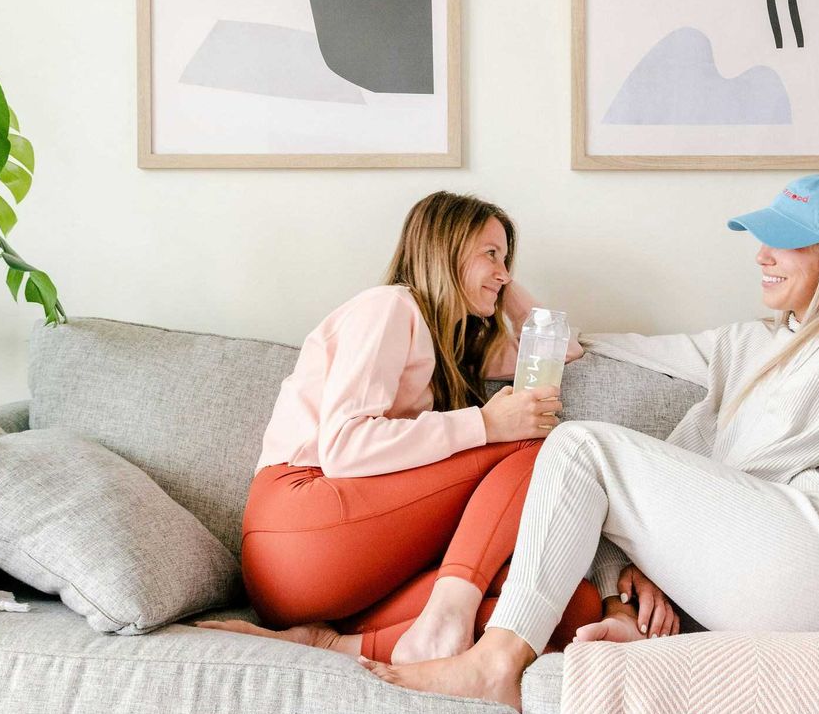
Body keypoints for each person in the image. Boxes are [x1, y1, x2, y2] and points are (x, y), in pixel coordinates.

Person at [370, 174, 819, 708]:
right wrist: (507, 286)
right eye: (763, 240)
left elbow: (758, 462)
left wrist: (660, 544)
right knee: (588, 477)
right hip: (774, 562)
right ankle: (626, 620)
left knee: (580, 448)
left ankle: (494, 665)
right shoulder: (753, 341)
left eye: (783, 241)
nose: (762, 255)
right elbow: (595, 347)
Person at [201, 191, 672, 664]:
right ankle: (448, 614)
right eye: (490, 253)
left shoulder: (451, 345)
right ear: (443, 250)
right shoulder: (388, 306)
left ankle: (331, 643)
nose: (504, 271)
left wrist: (498, 281)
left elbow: (561, 347)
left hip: (345, 570)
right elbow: (345, 445)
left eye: (507, 259)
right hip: (302, 521)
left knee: (574, 608)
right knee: (541, 442)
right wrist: (485, 423)